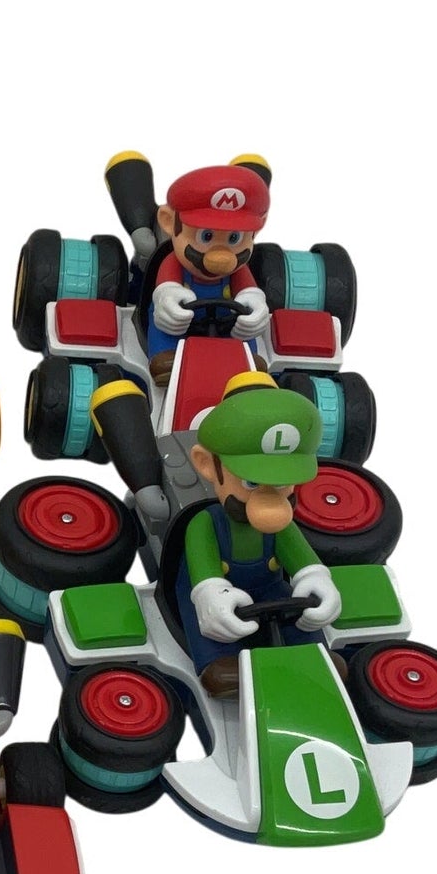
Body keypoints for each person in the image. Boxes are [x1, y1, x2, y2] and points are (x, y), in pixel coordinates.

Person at [179, 373, 342, 697]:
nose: (270, 501)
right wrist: (212, 592)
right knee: (210, 630)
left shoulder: (282, 525)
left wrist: (316, 579)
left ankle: (312, 655)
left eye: (282, 482)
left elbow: (302, 560)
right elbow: (204, 572)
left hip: (271, 589)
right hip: (216, 591)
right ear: (208, 465)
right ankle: (218, 659)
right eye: (251, 482)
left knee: (303, 621)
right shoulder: (205, 523)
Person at [148, 165, 271, 386]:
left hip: (228, 324)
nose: (222, 256)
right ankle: (166, 357)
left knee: (246, 334)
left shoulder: (239, 271)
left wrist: (254, 307)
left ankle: (247, 364)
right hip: (179, 327)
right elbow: (167, 287)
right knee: (163, 324)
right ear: (169, 222)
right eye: (206, 236)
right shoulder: (172, 264)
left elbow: (250, 292)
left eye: (234, 238)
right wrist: (168, 299)